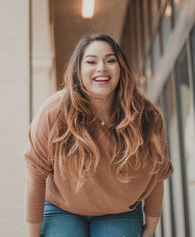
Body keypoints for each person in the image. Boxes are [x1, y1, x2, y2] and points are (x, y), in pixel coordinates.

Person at [24, 34, 173, 237]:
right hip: (62, 207)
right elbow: (36, 174)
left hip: (119, 209)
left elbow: (157, 173)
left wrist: (150, 229)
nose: (101, 68)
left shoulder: (147, 115)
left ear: (121, 68)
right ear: (78, 70)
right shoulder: (53, 112)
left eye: (110, 60)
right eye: (91, 62)